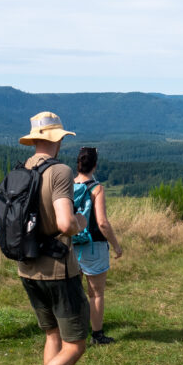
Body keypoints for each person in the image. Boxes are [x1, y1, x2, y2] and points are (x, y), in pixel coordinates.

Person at [0, 111, 91, 365]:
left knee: (52, 335)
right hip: (58, 270)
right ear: (57, 139)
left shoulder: (15, 174)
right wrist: (80, 221)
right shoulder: (60, 172)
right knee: (76, 344)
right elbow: (65, 224)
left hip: (26, 268)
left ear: (34, 139)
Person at [72, 146, 124, 345]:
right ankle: (97, 334)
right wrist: (116, 246)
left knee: (74, 292)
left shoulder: (68, 185)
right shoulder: (97, 188)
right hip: (94, 246)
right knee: (96, 294)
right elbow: (102, 222)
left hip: (72, 245)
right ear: (95, 165)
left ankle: (74, 333)